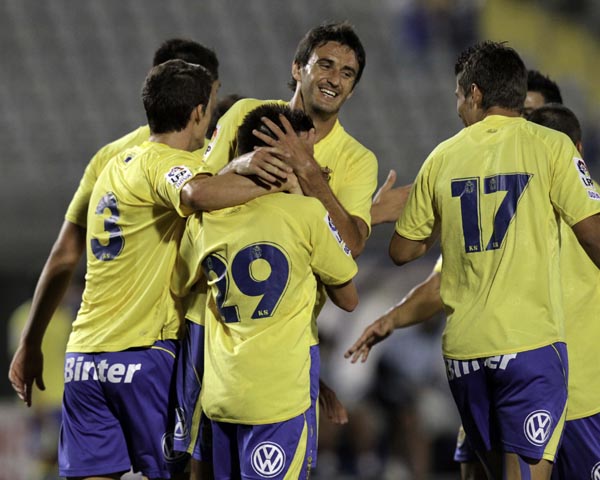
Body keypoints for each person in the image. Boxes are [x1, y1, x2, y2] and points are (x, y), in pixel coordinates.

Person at [385, 41, 600, 479]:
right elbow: (594, 238)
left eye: (458, 97)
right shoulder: (549, 148)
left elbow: (401, 251)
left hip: (465, 356)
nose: (458, 107)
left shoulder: (441, 157)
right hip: (530, 350)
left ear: (475, 94)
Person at [199, 20, 378, 469]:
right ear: (298, 69)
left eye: (347, 73)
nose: (334, 78)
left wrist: (308, 173)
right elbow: (200, 193)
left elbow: (353, 244)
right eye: (325, 65)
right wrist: (245, 163)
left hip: (290, 340)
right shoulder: (247, 114)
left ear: (353, 89)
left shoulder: (357, 159)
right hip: (215, 327)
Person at [8, 38, 221, 410]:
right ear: (203, 101)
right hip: (171, 345)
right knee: (183, 466)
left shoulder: (110, 156)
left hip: (94, 348)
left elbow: (64, 255)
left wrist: (30, 341)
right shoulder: (211, 161)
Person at [172, 103, 359, 479]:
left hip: (223, 396)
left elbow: (180, 284)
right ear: (276, 159)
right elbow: (349, 299)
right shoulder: (306, 214)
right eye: (303, 156)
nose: (312, 166)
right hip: (278, 401)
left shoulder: (205, 221)